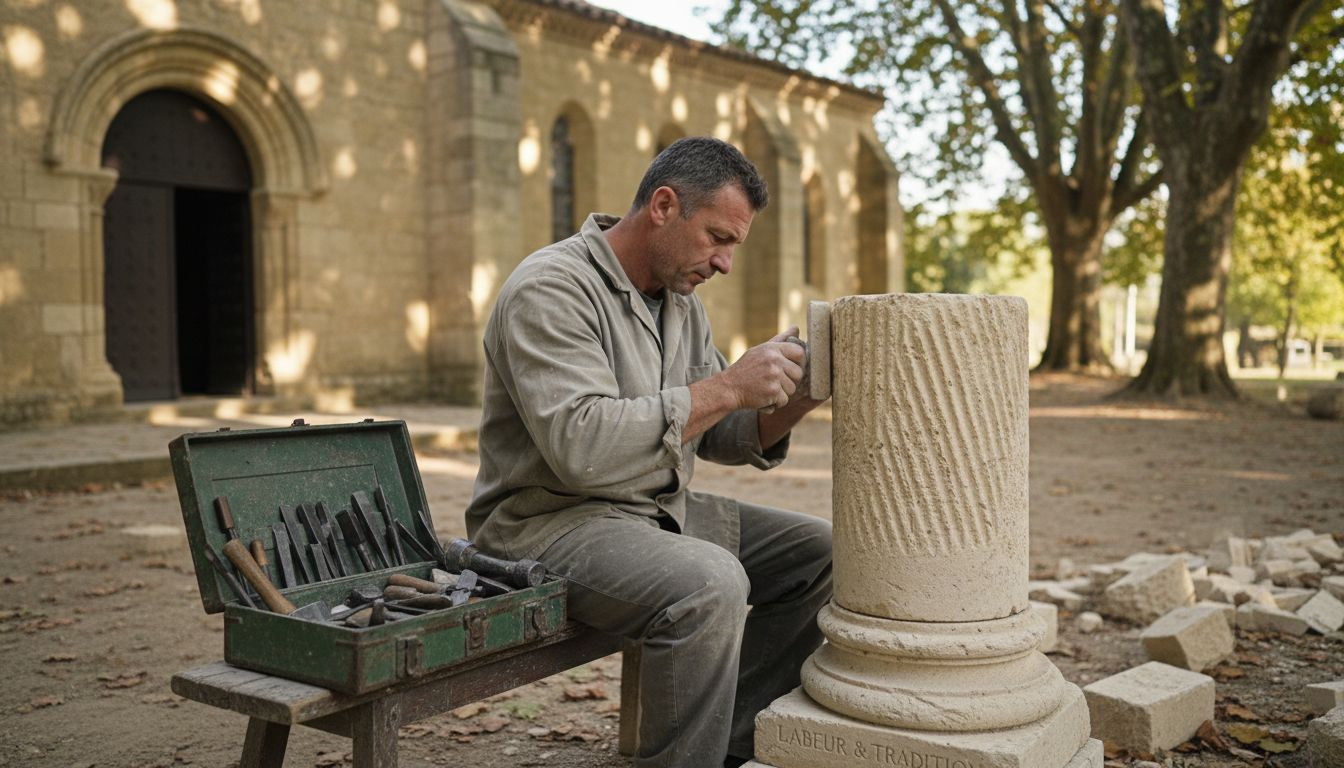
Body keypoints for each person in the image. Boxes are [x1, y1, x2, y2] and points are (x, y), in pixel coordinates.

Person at [465, 136, 832, 768]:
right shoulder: (551, 287)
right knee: (708, 584)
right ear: (663, 205)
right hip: (548, 524)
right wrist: (728, 385)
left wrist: (797, 396)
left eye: (733, 246)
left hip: (652, 515)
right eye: (718, 238)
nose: (724, 264)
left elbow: (719, 433)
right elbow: (582, 447)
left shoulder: (682, 303)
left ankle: (725, 746)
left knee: (819, 554)